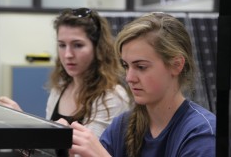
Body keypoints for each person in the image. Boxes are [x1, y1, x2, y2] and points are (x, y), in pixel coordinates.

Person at [65, 12, 216, 157]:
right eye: (126, 66)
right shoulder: (122, 126)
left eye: (141, 67)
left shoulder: (201, 133)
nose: (129, 78)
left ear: (176, 65)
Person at [0, 8, 131, 155]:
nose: (68, 54)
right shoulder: (60, 88)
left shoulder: (111, 96)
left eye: (78, 45)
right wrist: (19, 122)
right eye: (62, 45)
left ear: (98, 48)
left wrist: (55, 139)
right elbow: (45, 151)